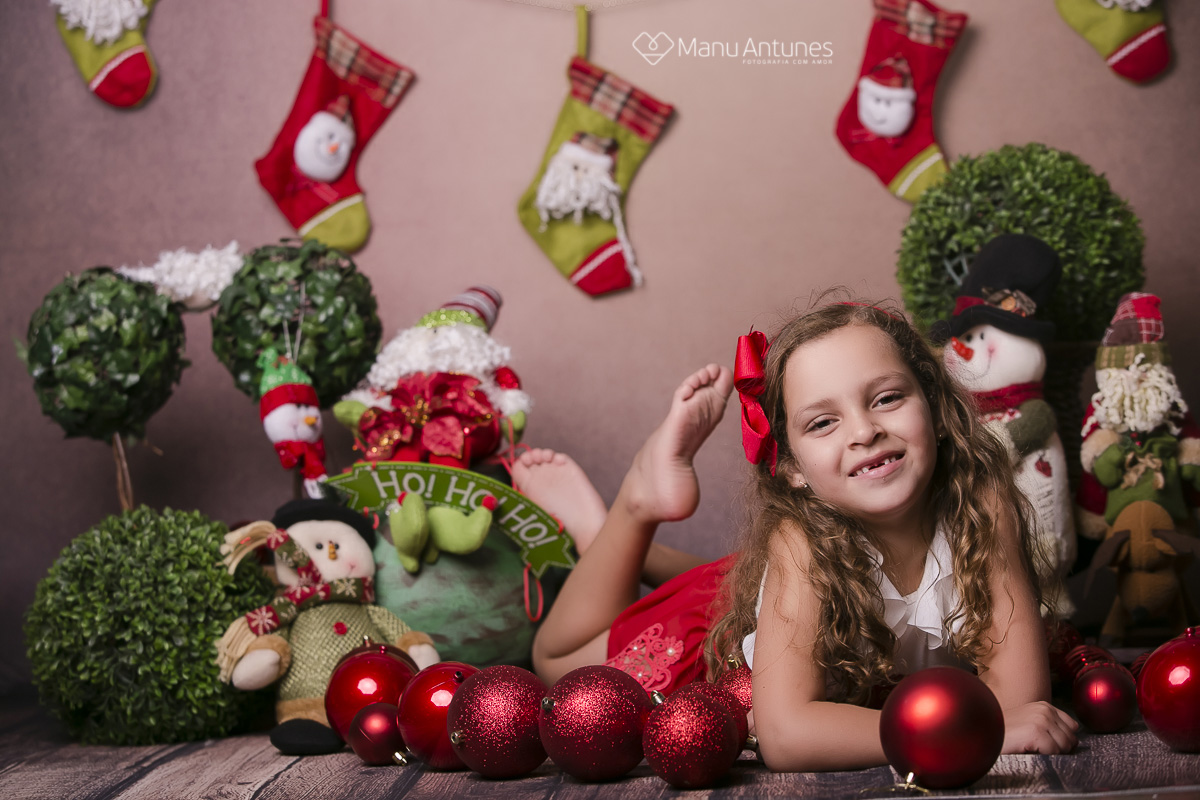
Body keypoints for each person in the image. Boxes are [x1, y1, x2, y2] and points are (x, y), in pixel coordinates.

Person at [521, 301, 1079, 772]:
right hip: (723, 626)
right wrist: (964, 735)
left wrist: (998, 720)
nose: (865, 431)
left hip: (790, 583)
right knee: (557, 661)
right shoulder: (800, 540)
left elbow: (1023, 702)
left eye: (886, 398)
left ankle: (628, 549)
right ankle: (633, 507)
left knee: (734, 571)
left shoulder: (981, 500)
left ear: (935, 408)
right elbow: (786, 735)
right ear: (790, 467)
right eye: (822, 422)